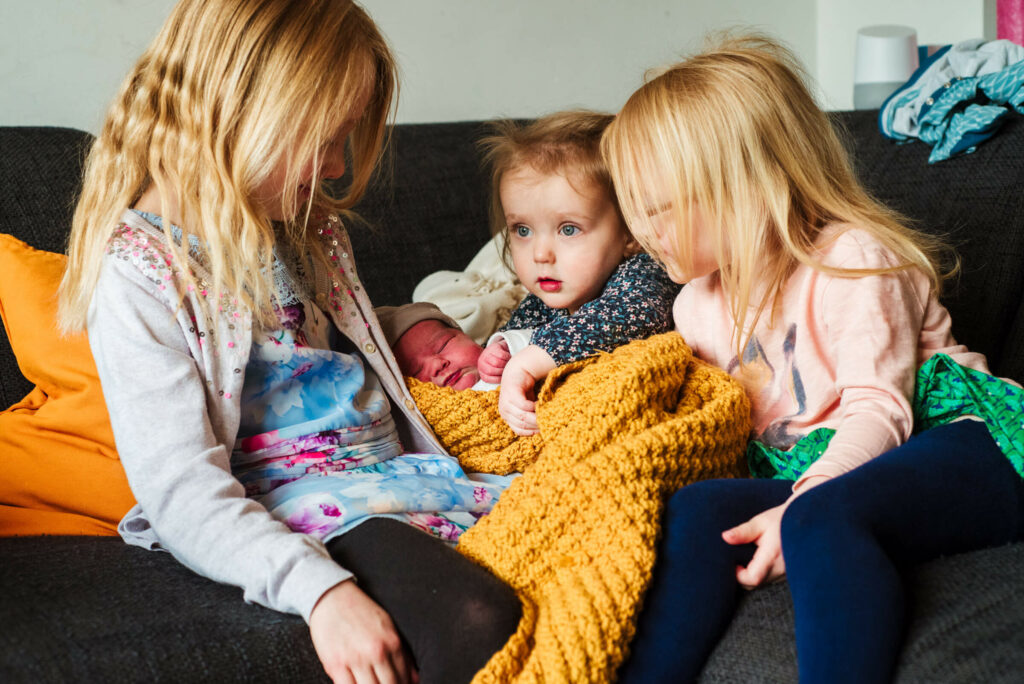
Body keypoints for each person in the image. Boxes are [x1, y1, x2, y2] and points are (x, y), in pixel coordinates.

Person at [56, 2, 520, 683]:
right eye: (327, 137)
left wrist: (416, 327)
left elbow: (313, 348)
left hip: (394, 470)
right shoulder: (138, 272)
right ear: (244, 107)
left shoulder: (301, 222)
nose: (336, 167)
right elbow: (181, 488)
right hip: (295, 501)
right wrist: (322, 592)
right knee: (474, 614)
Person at [601, 34, 1024, 683]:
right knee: (698, 509)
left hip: (966, 445)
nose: (644, 233)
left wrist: (800, 503)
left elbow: (880, 412)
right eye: (637, 213)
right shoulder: (696, 306)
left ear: (743, 185)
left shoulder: (851, 258)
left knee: (821, 515)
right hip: (834, 465)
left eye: (659, 210)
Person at [476, 111, 680, 435]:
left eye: (568, 229)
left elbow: (625, 317)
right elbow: (521, 334)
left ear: (630, 231)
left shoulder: (646, 274)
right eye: (522, 230)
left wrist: (528, 361)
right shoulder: (547, 296)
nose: (541, 254)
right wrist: (501, 352)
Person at [379, 302, 532, 391]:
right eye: (416, 371)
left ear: (466, 336)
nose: (437, 365)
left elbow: (546, 341)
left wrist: (507, 345)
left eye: (443, 345)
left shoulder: (503, 352)